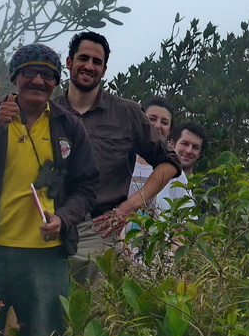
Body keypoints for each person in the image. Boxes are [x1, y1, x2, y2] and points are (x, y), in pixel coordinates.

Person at [0, 43, 98, 336]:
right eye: (30, 73)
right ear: (15, 77)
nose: (39, 81)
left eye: (48, 75)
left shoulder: (69, 125)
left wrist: (64, 219)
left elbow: (87, 185)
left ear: (56, 82)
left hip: (45, 259)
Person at [53, 32, 181, 277]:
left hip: (99, 228)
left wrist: (130, 206)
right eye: (83, 58)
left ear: (104, 69)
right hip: (50, 223)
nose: (89, 66)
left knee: (96, 311)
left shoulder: (126, 112)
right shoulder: (49, 111)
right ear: (69, 63)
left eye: (97, 62)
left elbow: (170, 162)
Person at [130, 97, 191, 215]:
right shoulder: (122, 162)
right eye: (152, 119)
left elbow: (186, 219)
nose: (157, 126)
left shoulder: (175, 174)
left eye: (164, 122)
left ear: (169, 130)